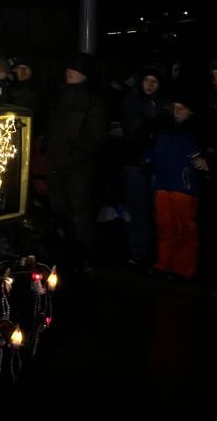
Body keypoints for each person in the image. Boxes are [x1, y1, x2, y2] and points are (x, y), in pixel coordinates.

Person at [45, 52, 109, 271]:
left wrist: (75, 155)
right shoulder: (60, 96)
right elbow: (52, 128)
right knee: (58, 208)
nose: (69, 72)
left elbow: (95, 135)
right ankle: (63, 253)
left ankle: (83, 257)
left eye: (75, 69)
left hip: (78, 166)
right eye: (69, 69)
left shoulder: (93, 101)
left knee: (80, 211)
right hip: (57, 162)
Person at [147, 84, 209, 279]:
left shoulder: (196, 132)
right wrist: (149, 163)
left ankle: (183, 268)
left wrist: (204, 164)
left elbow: (203, 157)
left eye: (181, 108)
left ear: (190, 111)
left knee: (184, 229)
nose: (176, 112)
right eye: (174, 107)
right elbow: (153, 151)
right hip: (163, 185)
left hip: (184, 187)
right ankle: (164, 263)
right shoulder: (164, 130)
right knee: (165, 226)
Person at [120, 64, 169, 266]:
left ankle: (158, 255)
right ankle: (138, 252)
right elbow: (133, 132)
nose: (149, 85)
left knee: (160, 212)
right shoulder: (131, 103)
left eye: (154, 81)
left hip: (161, 165)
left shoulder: (166, 104)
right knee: (139, 210)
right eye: (146, 80)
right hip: (137, 164)